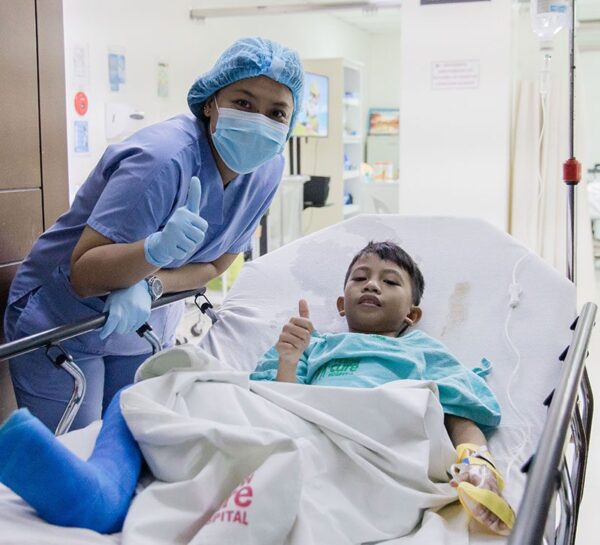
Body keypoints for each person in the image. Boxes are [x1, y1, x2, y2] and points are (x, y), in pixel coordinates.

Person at [0, 241, 514, 536]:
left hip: (365, 442)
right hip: (294, 418)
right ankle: (101, 494)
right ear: (341, 303)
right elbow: (268, 401)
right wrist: (290, 358)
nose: (372, 285)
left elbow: (460, 410)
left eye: (389, 280)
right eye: (360, 277)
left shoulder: (422, 352)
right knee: (160, 386)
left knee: (282, 457)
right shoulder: (312, 345)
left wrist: (479, 462)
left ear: (415, 313)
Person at [3, 37, 304, 431]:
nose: (259, 121)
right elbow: (85, 274)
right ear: (211, 102)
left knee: (132, 443)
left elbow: (216, 263)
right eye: (244, 103)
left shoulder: (267, 169)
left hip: (144, 321)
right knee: (75, 457)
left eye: (277, 113)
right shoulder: (162, 160)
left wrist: (153, 284)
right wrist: (153, 251)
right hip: (65, 322)